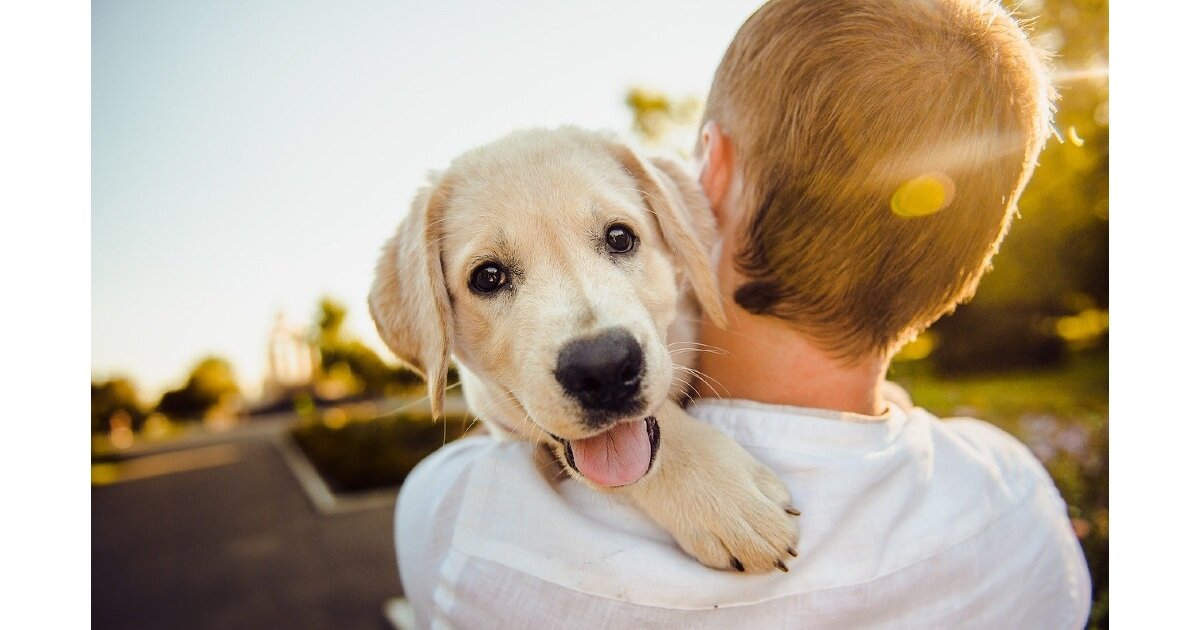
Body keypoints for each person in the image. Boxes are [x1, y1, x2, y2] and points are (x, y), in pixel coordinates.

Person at [393, 0, 1092, 627]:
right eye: (491, 276)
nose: (595, 340)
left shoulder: (461, 526)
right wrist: (670, 455)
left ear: (709, 179)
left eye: (618, 239)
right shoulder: (1018, 501)